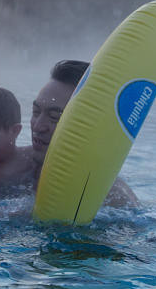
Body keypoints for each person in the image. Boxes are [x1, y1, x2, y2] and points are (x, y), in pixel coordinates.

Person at [31, 60, 138, 207]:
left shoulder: (111, 197)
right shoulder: (14, 165)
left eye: (54, 117)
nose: (38, 126)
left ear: (88, 124)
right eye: (36, 112)